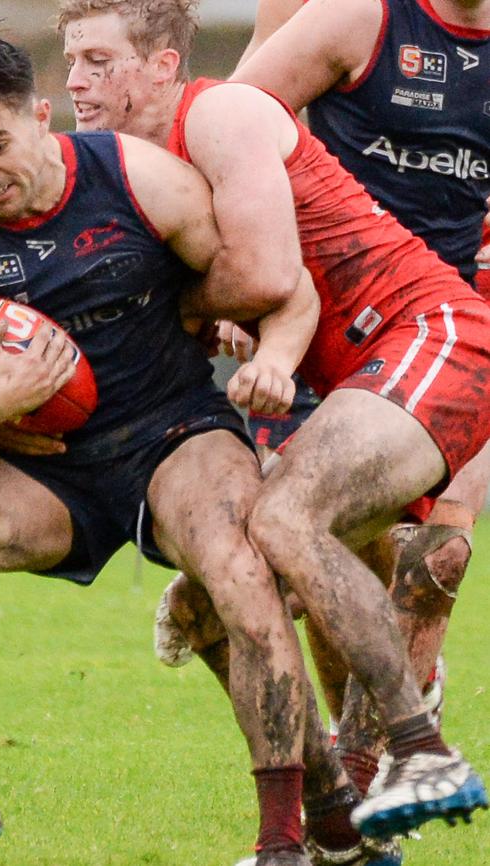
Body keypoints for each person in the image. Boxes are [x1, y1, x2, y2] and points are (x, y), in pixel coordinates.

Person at [0, 22, 342, 866]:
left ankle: (289, 835)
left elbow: (275, 284)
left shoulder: (139, 179)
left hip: (173, 436)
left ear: (42, 116)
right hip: (40, 472)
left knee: (237, 563)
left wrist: (255, 339)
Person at [55, 1, 490, 863]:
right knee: (244, 566)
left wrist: (167, 312)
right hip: (361, 365)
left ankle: (423, 753)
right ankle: (322, 824)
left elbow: (263, 272)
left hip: (432, 330)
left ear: (163, 67)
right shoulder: (134, 171)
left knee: (313, 525)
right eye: (71, 63)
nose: (76, 82)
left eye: (99, 61)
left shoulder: (219, 112)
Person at [227, 0, 490, 794]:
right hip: (325, 325)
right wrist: (251, 280)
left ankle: (366, 771)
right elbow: (230, 119)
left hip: (447, 328)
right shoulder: (356, 19)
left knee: (439, 550)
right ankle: (381, 725)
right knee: (318, 542)